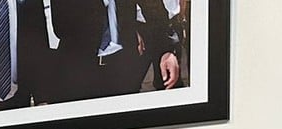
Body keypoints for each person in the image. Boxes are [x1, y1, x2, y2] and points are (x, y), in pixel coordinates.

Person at [47, 0, 181, 102]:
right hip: (81, 72)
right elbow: (61, 27)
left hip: (123, 68)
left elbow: (152, 8)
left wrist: (166, 50)